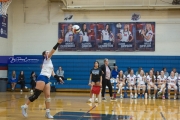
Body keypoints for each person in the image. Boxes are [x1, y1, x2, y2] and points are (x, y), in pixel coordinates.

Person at [21, 39, 64, 119]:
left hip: (47, 79)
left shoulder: (50, 62)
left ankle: (47, 113)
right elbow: (52, 51)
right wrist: (58, 43)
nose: (48, 52)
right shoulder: (46, 59)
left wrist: (59, 78)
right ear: (45, 55)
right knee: (36, 95)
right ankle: (24, 106)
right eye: (47, 52)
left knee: (48, 96)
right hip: (42, 77)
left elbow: (53, 74)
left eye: (48, 52)